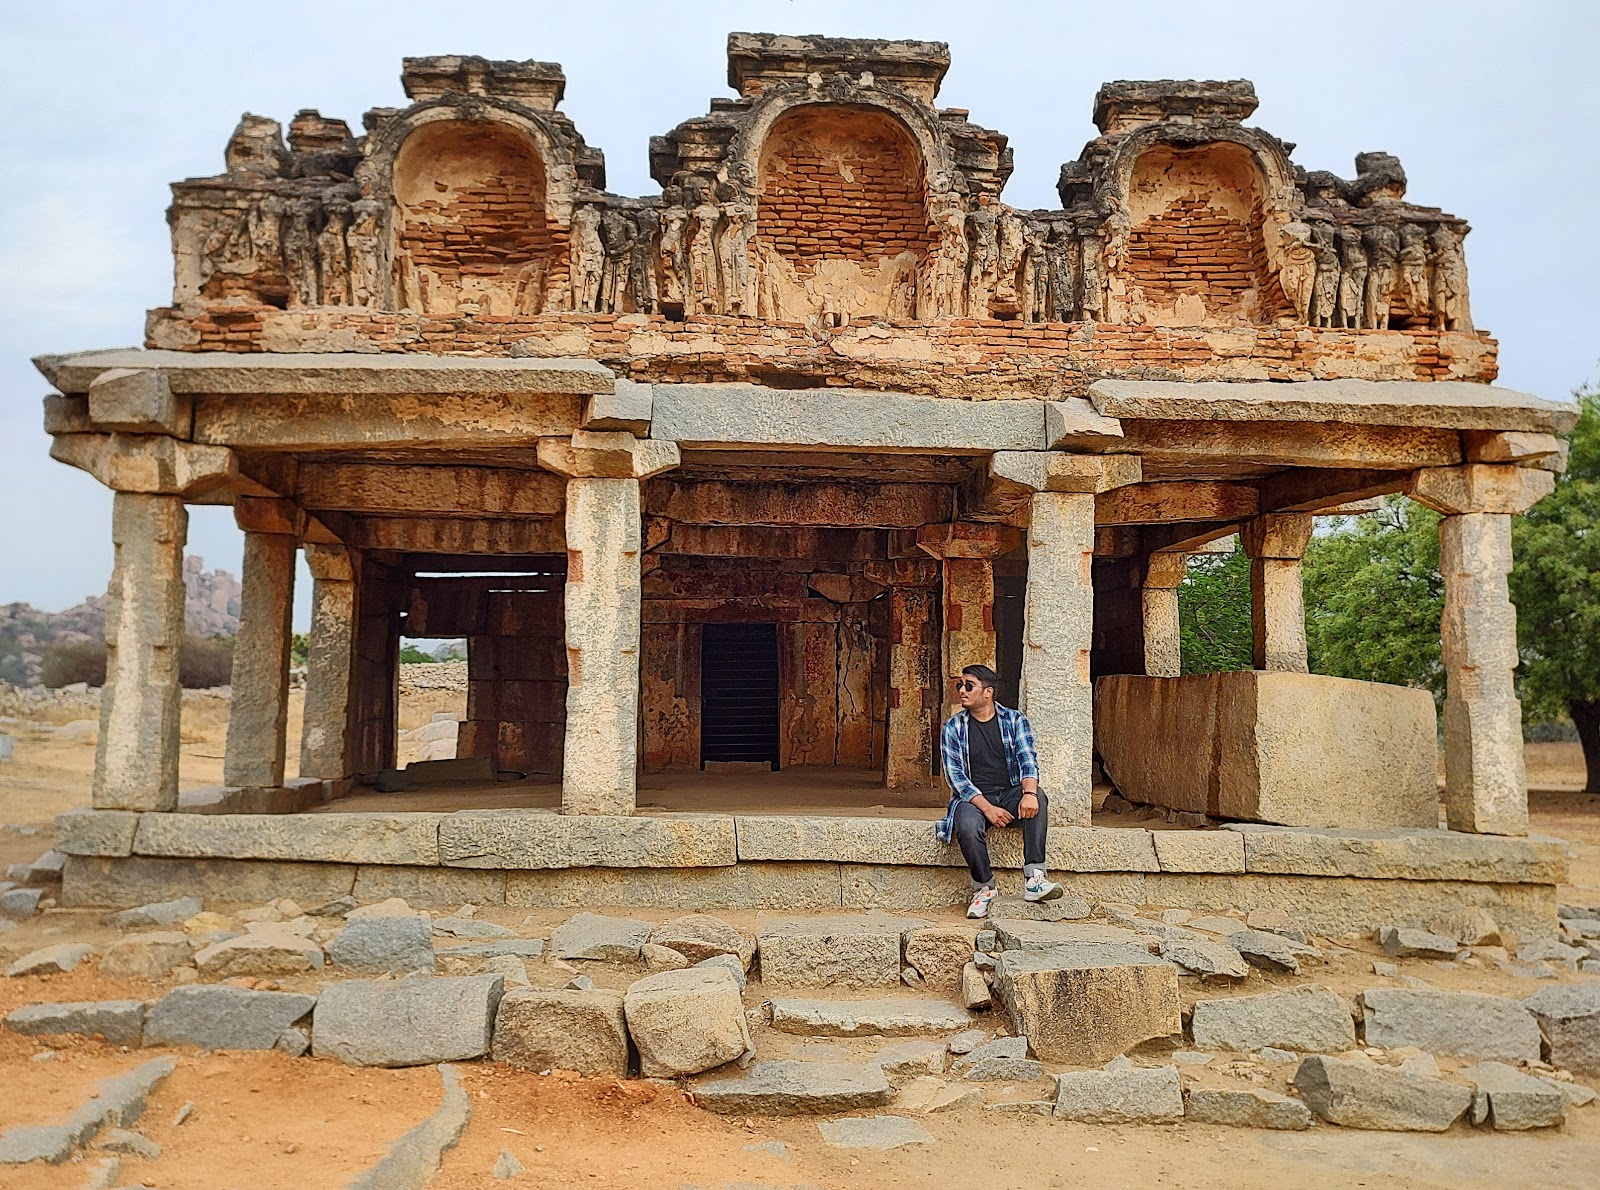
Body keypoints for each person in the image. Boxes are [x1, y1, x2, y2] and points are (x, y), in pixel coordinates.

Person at [936, 664, 1063, 919]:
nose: (962, 690)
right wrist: (988, 809)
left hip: (1009, 793)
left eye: (969, 685)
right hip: (972, 799)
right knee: (967, 824)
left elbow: (1028, 760)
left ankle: (1035, 878)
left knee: (1038, 796)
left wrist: (1028, 793)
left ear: (988, 692)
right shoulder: (953, 728)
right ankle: (984, 887)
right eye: (959, 685)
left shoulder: (1015, 721)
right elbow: (957, 778)